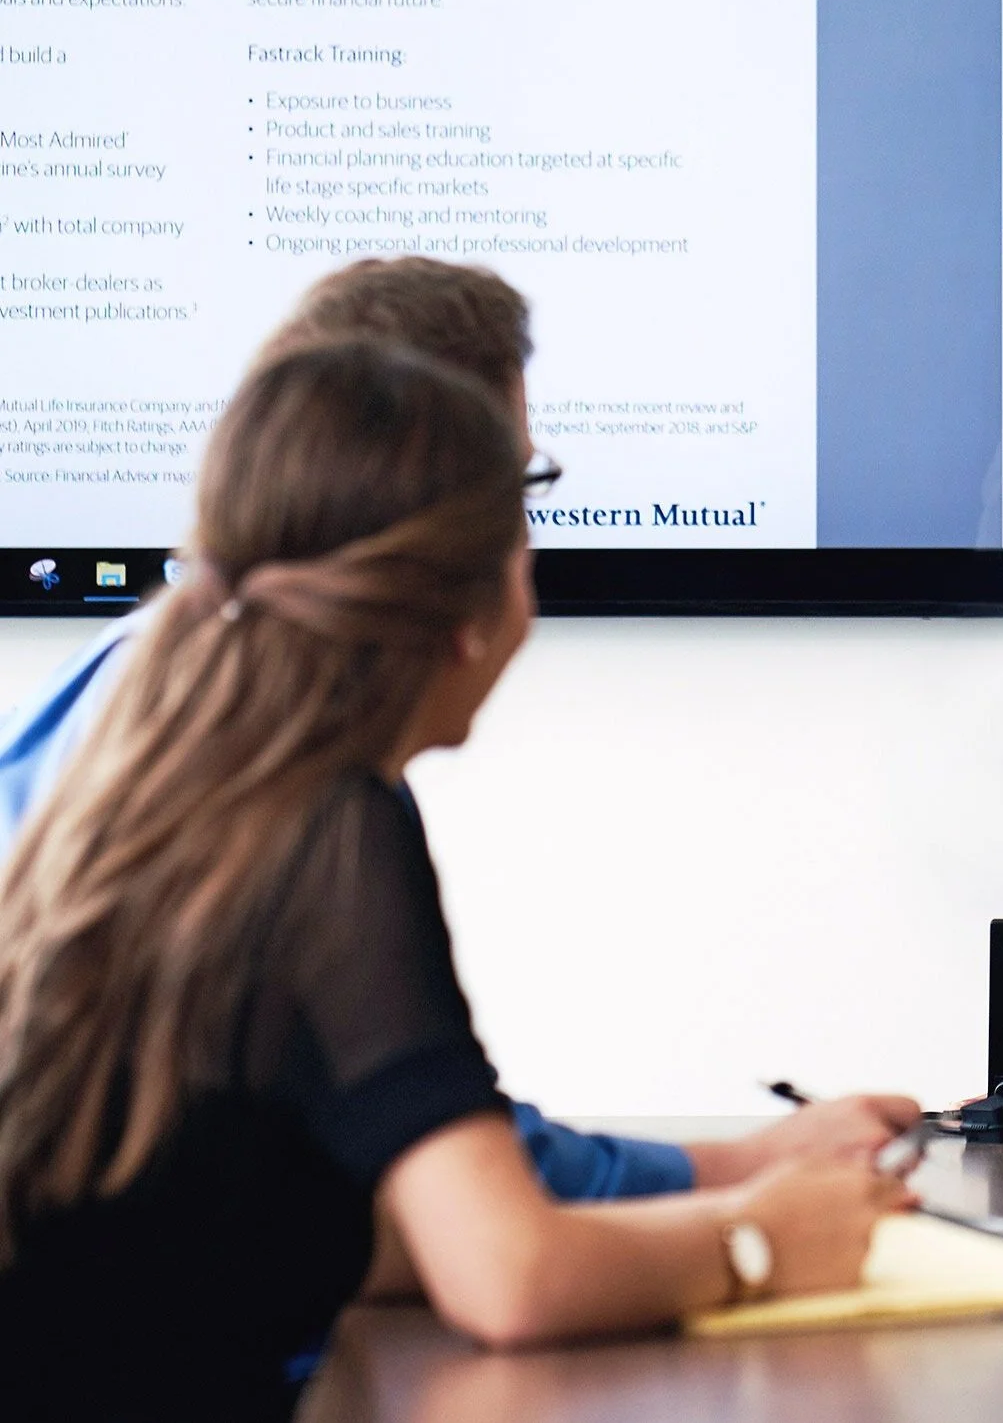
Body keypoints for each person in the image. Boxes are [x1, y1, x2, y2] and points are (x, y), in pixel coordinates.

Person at [0, 341, 911, 1420]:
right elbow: (508, 1277)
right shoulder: (331, 830)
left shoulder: (172, 778)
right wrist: (760, 1238)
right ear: (470, 610)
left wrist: (717, 1195)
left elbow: (373, 1228)